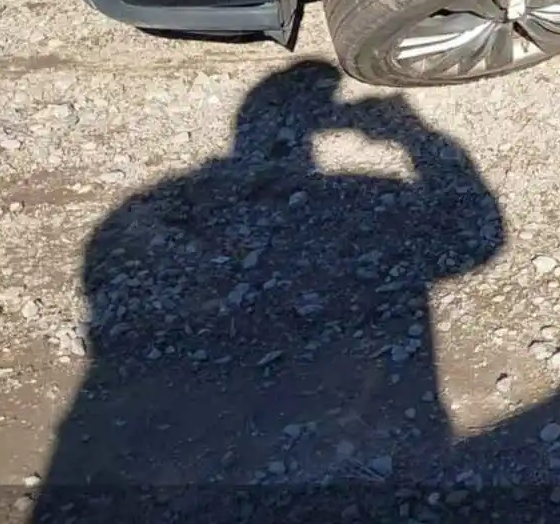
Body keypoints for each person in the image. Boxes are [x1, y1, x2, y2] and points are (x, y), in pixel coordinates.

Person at [39, 59, 502, 501]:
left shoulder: (131, 216)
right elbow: (478, 243)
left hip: (107, 447)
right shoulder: (367, 190)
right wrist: (412, 136)